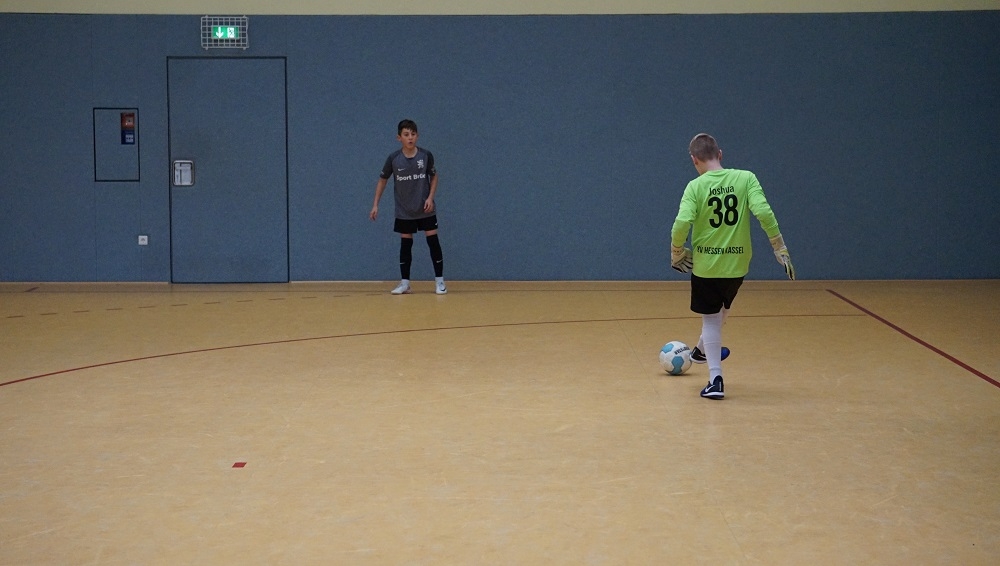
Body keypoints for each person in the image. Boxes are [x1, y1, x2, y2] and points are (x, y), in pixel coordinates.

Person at [670, 133, 795, 400]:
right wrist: (779, 246)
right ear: (720, 154)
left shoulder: (695, 187)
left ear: (694, 160)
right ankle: (701, 351)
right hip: (737, 263)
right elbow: (764, 212)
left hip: (706, 265)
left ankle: (715, 380)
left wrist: (677, 252)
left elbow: (682, 223)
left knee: (710, 319)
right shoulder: (746, 178)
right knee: (722, 309)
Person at [370, 119, 446, 295]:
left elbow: (434, 176)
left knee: (433, 242)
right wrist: (375, 205)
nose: (410, 137)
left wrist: (430, 197)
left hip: (425, 208)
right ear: (399, 138)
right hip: (404, 210)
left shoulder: (426, 155)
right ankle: (405, 283)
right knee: (405, 245)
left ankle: (440, 282)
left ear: (417, 136)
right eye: (406, 134)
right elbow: (382, 180)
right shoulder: (393, 159)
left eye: (413, 134)